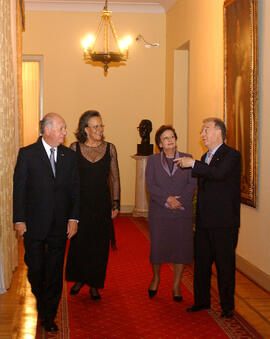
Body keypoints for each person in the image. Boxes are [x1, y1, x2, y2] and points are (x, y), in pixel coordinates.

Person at [13, 113, 80, 332]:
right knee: (35, 270)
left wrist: (73, 218)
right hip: (33, 224)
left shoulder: (69, 156)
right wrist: (19, 219)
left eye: (64, 128)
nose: (64, 132)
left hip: (60, 225)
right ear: (47, 129)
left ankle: (48, 314)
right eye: (61, 128)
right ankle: (42, 301)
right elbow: (19, 189)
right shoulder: (27, 154)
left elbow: (75, 190)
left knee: (53, 271)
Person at [174, 117, 241, 318]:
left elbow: (218, 174)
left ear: (219, 132)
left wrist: (193, 163)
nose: (202, 134)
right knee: (201, 264)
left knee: (224, 266)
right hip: (204, 222)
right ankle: (201, 301)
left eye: (206, 130)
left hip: (223, 223)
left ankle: (227, 306)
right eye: (202, 131)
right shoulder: (204, 157)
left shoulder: (232, 155)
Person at [65, 110, 120, 300]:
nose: (100, 129)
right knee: (80, 243)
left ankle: (95, 284)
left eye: (101, 125)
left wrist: (116, 203)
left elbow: (114, 178)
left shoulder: (110, 148)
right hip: (80, 204)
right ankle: (80, 279)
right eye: (96, 126)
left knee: (99, 245)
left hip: (101, 204)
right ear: (86, 129)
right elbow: (69, 179)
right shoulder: (74, 148)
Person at [145, 125, 197, 301]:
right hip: (160, 212)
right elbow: (150, 186)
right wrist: (167, 199)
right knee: (159, 247)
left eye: (172, 136)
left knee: (181, 249)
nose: (170, 140)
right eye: (165, 138)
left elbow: (192, 184)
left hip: (182, 212)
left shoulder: (187, 159)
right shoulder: (152, 161)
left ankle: (176, 285)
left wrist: (179, 201)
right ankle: (156, 278)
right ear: (160, 143)